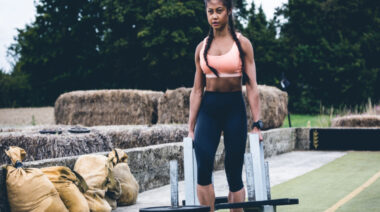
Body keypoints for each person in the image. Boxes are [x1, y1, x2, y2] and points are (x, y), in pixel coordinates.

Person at [187, 0, 263, 211]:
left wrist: (257, 123)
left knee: (234, 171)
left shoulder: (242, 44)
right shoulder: (201, 48)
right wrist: (191, 127)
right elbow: (196, 91)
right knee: (203, 167)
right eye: (210, 11)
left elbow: (252, 87)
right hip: (209, 110)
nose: (214, 16)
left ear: (229, 11)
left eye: (219, 11)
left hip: (234, 110)